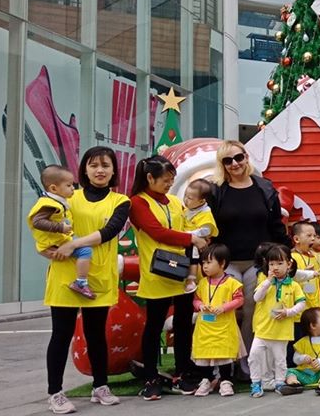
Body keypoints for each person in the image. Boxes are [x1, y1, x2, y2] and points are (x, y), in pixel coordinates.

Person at [43, 146, 130, 413]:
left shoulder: (121, 201)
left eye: (105, 165)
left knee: (96, 334)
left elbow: (109, 231)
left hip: (99, 277)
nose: (99, 170)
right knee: (61, 334)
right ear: (84, 169)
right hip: (65, 274)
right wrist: (45, 249)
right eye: (93, 165)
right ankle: (55, 393)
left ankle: (100, 386)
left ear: (114, 170)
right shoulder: (68, 197)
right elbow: (42, 223)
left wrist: (74, 244)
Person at [209, 141, 290, 378]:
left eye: (238, 157)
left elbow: (276, 225)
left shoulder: (264, 188)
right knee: (228, 312)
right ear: (222, 165)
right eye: (228, 160)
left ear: (246, 157)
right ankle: (223, 365)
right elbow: (208, 226)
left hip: (259, 262)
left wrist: (286, 253)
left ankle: (248, 365)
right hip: (227, 262)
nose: (234, 164)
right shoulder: (216, 191)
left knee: (254, 312)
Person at [130, 155, 208, 400]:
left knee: (184, 325)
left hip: (182, 273)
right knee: (154, 327)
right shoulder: (137, 203)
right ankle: (151, 377)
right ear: (149, 178)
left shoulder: (174, 201)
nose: (169, 184)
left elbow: (185, 226)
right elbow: (157, 232)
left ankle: (183, 372)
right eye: (165, 180)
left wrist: (200, 234)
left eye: (172, 179)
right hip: (157, 274)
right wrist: (192, 238)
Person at [29, 165, 96, 299]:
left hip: (57, 240)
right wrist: (60, 227)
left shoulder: (56, 201)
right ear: (54, 189)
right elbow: (37, 222)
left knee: (81, 243)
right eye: (69, 185)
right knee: (86, 251)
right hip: (53, 243)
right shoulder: (49, 205)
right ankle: (81, 283)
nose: (73, 188)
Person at [249, 243, 307, 397]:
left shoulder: (294, 285)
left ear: (289, 264)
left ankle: (280, 383)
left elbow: (302, 303)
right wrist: (268, 282)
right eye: (272, 264)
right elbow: (256, 298)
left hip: (282, 332)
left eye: (280, 263)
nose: (275, 267)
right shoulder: (265, 282)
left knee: (280, 360)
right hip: (262, 330)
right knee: (254, 356)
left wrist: (289, 312)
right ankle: (256, 383)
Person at [191, 244, 244, 397]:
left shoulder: (232, 283)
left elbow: (239, 300)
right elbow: (196, 300)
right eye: (203, 263)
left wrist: (224, 307)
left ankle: (226, 381)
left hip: (224, 326)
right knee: (204, 353)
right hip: (205, 327)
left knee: (224, 353)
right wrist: (200, 306)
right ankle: (206, 380)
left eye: (209, 262)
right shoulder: (202, 283)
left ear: (222, 263)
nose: (205, 266)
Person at [287, 307, 320, 394]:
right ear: (313, 325)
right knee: (290, 371)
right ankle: (294, 384)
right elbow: (295, 358)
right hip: (305, 373)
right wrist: (302, 358)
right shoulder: (302, 342)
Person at [182, 178, 219, 294]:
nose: (186, 200)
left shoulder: (205, 212)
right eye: (185, 196)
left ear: (201, 201)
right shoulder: (187, 209)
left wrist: (190, 234)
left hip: (196, 244)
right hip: (184, 240)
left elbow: (206, 230)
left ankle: (191, 279)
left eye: (190, 198)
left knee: (192, 255)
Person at [290, 221, 320, 341]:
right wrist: (305, 273)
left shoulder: (313, 257)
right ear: (296, 239)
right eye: (309, 235)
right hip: (300, 312)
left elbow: (318, 281)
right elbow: (291, 278)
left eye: (314, 236)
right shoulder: (291, 258)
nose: (313, 239)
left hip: (314, 308)